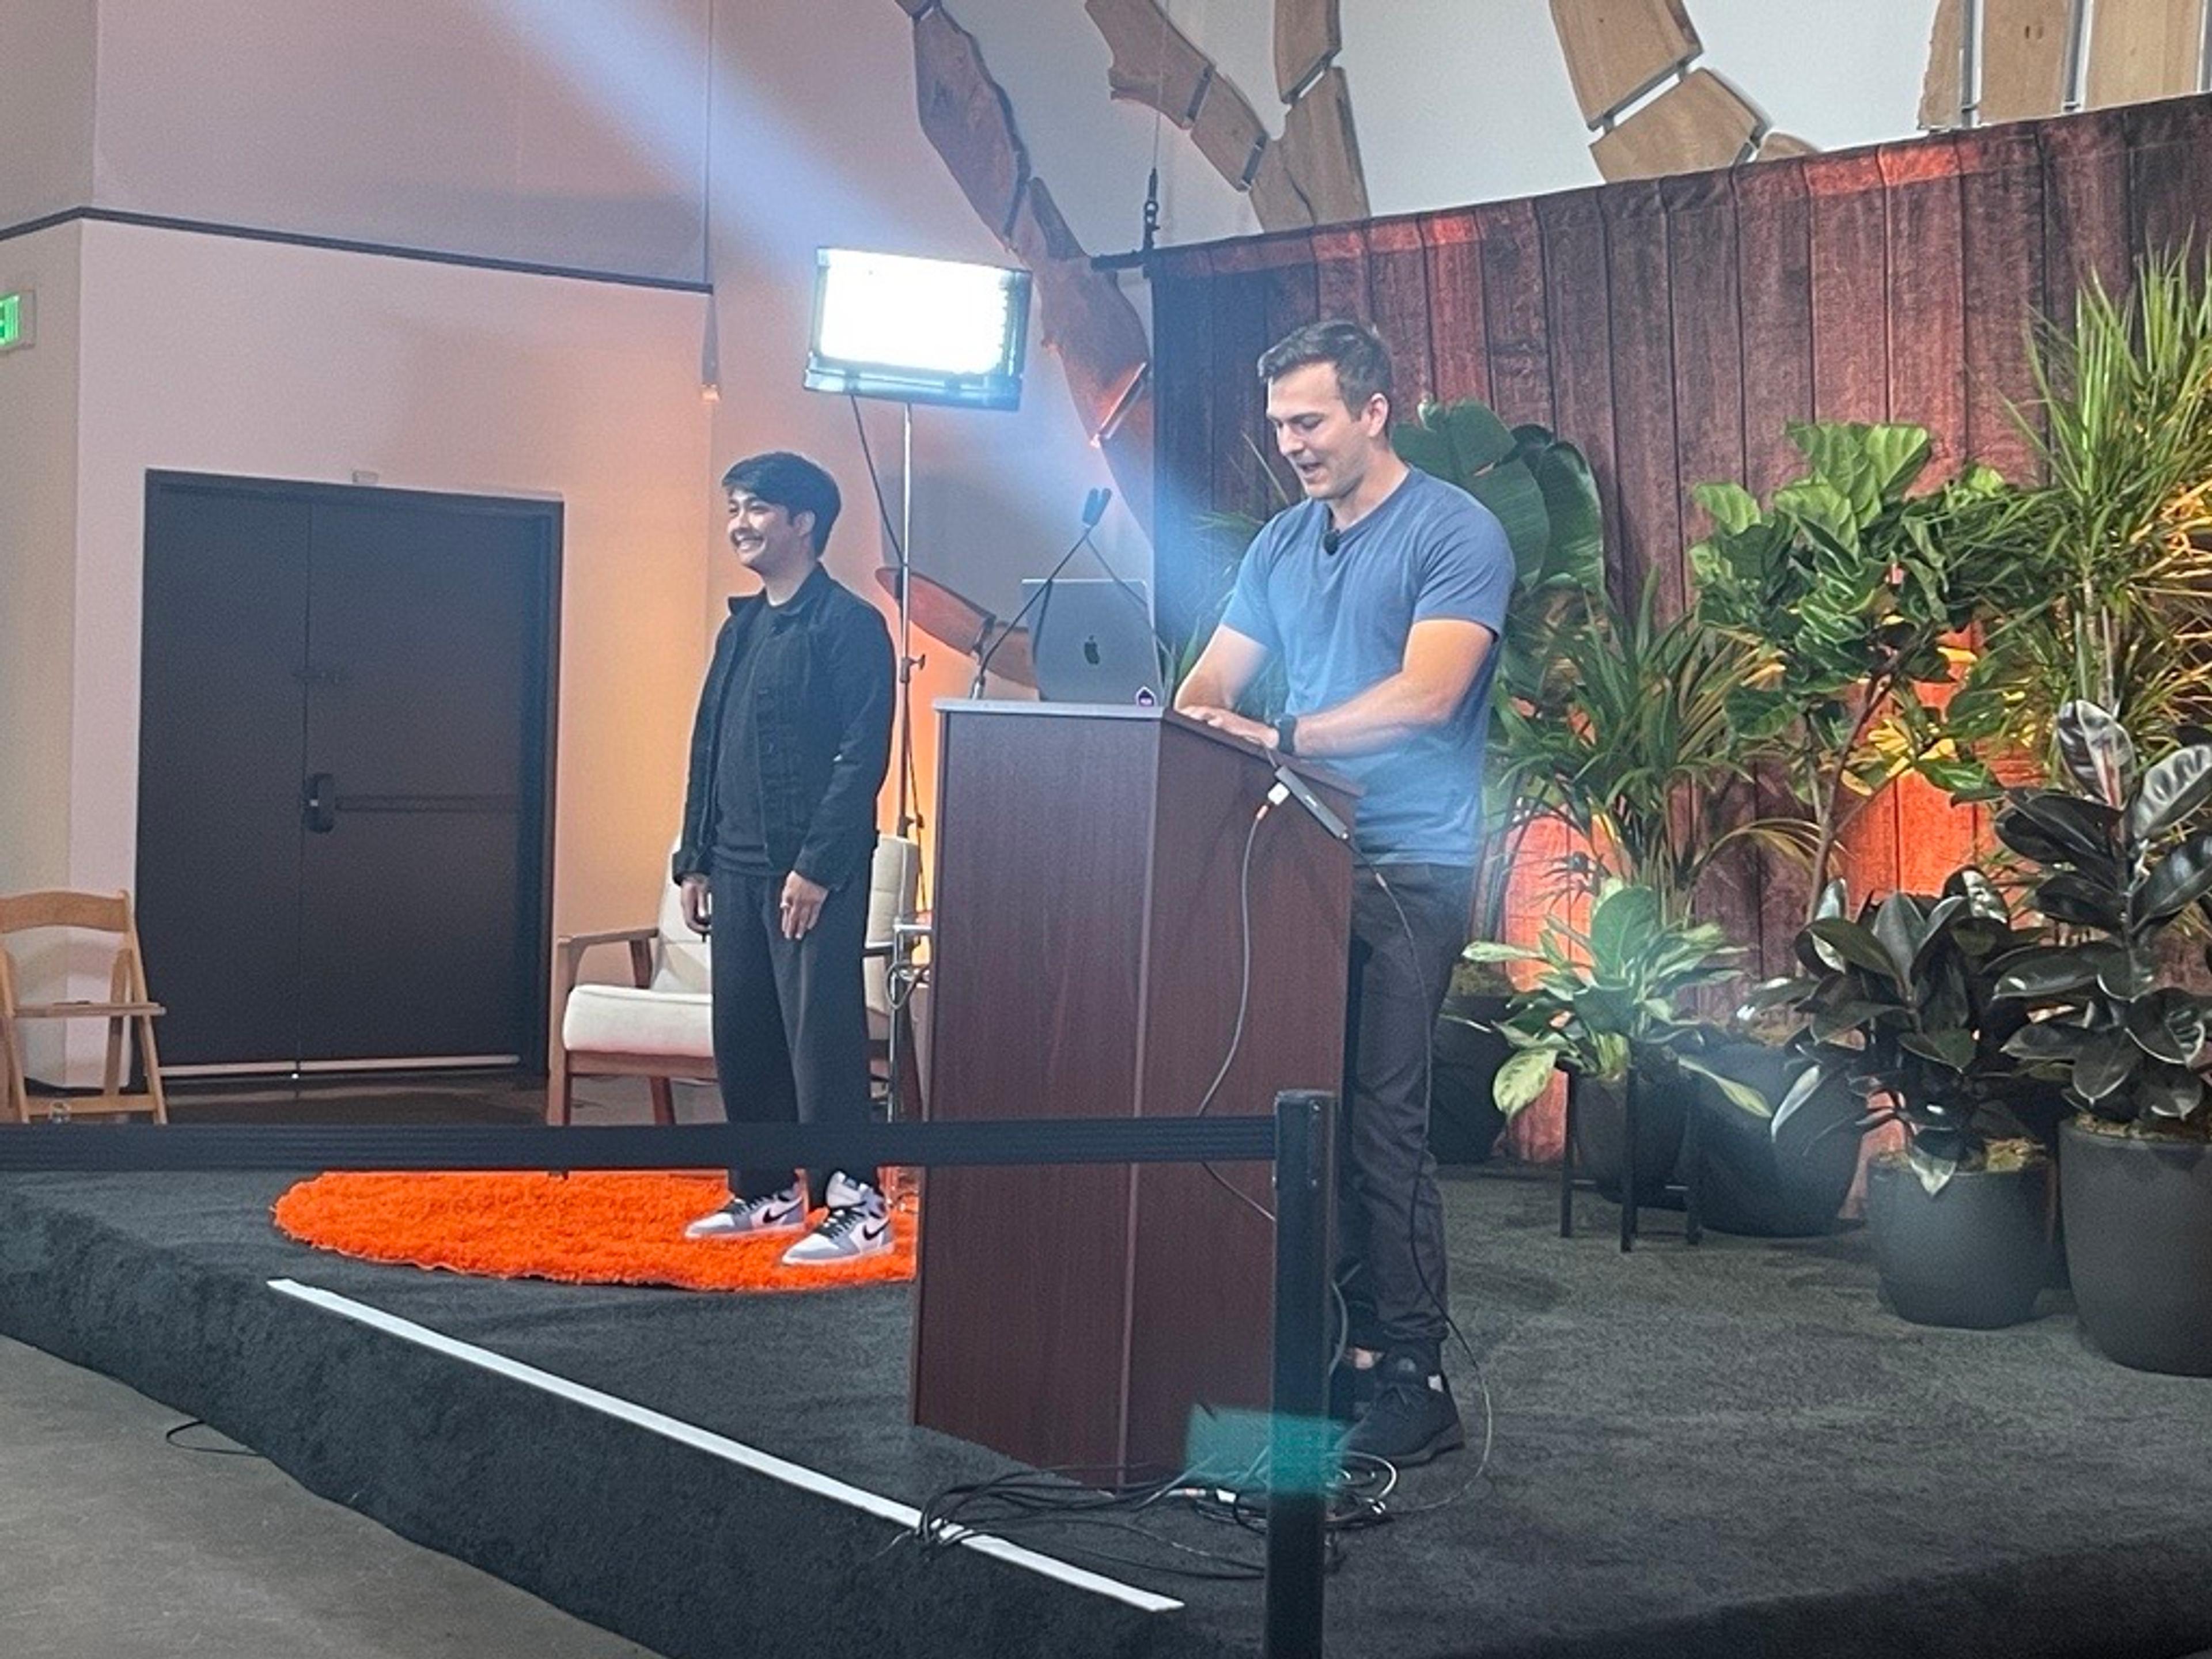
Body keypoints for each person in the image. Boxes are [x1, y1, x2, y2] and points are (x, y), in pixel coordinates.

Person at [1176, 319, 1513, 1465]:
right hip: (1294, 861)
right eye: (1277, 426)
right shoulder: (1280, 541)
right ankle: (1337, 1352)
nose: (1291, 445)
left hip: (1409, 867)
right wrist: (1194, 724)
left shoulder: (1456, 532)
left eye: (1309, 421)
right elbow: (1209, 681)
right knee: (1301, 1123)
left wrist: (1279, 733)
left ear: (1375, 411)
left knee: (1383, 1128)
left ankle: (1412, 1369)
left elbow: (1427, 694)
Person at [673, 450, 896, 1264]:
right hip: (733, 865)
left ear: (805, 522)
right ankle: (766, 1190)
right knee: (747, 1031)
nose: (741, 523)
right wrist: (694, 857)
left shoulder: (849, 626)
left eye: (758, 508)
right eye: (735, 506)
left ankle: (856, 1204)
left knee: (821, 1037)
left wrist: (817, 867)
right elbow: (710, 745)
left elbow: (860, 755)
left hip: (812, 871)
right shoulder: (742, 627)